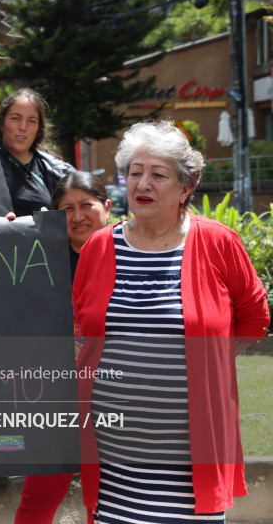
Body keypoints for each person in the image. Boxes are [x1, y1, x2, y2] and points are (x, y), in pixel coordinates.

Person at [73, 120, 269, 523]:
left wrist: (208, 362)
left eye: (158, 174)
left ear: (185, 186)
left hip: (191, 465)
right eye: (135, 172)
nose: (143, 183)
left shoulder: (218, 242)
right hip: (114, 465)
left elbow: (254, 316)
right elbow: (83, 326)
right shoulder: (98, 248)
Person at [13, 171, 110, 524]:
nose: (78, 215)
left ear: (108, 208)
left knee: (103, 498)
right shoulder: (36, 257)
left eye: (87, 205)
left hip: (113, 397)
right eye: (67, 208)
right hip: (53, 398)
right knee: (39, 495)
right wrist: (5, 238)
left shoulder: (131, 256)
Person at [0, 88, 76, 217]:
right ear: (1, 124)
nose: (23, 127)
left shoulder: (60, 173)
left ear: (38, 129)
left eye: (32, 121)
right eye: (15, 118)